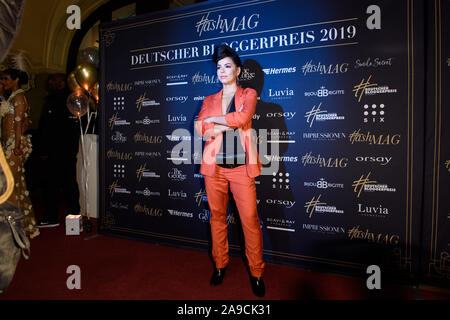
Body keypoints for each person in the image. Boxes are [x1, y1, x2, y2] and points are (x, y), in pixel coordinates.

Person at [195, 44, 265, 297]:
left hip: (241, 170)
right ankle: (220, 265)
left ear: (238, 70)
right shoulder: (208, 100)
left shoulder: (249, 93)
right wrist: (214, 123)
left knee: (250, 222)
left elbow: (242, 118)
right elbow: (200, 130)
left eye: (227, 66)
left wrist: (214, 122)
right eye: (218, 67)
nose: (222, 71)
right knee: (216, 219)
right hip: (214, 170)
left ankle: (256, 272)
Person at [37, 73, 80, 227]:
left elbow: (49, 129)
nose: (50, 83)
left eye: (53, 81)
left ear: (62, 83)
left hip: (58, 150)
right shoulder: (67, 100)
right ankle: (74, 215)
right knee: (68, 183)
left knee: (54, 184)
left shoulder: (61, 100)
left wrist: (44, 150)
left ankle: (52, 217)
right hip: (65, 149)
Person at [0, 68, 39, 238]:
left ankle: (16, 226)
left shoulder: (18, 97)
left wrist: (16, 145)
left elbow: (18, 123)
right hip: (8, 143)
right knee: (16, 184)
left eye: (7, 79)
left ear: (16, 80)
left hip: (15, 144)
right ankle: (22, 225)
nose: (4, 82)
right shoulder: (12, 96)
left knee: (12, 184)